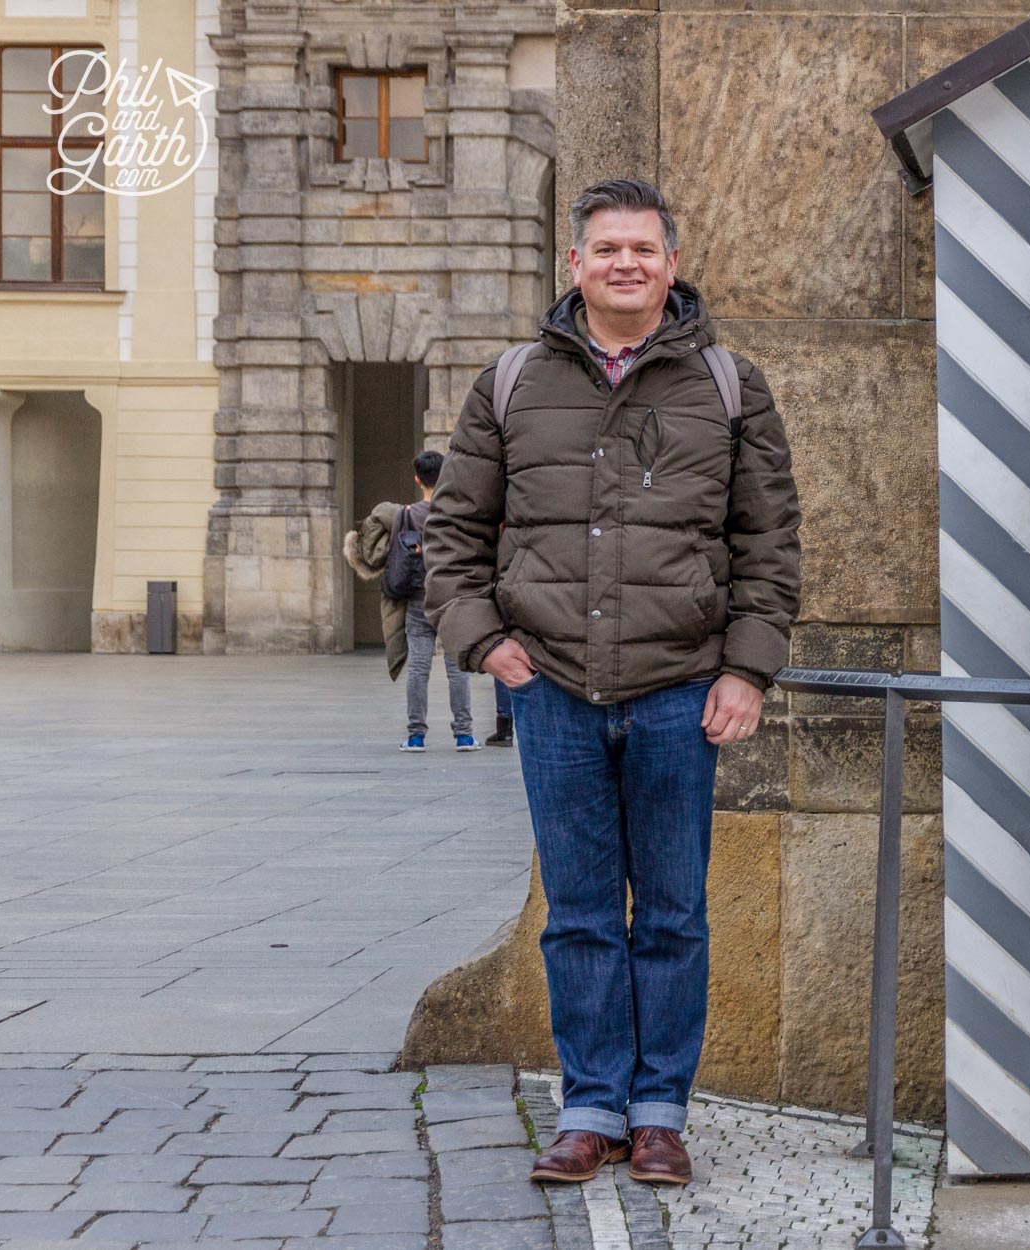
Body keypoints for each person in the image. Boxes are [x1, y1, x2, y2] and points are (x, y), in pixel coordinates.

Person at [423, 178, 801, 1187]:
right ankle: (591, 1106)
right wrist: (484, 643)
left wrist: (748, 667)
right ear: (577, 265)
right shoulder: (510, 382)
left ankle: (663, 1111)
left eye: (644, 248)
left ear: (672, 264)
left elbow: (767, 543)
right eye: (607, 249)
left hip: (683, 687)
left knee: (674, 910)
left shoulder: (728, 383)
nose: (625, 263)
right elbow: (452, 535)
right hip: (552, 687)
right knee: (583, 910)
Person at [343, 451, 478, 753]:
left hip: (417, 600)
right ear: (444, 476)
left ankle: (416, 736)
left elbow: (370, 535)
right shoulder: (456, 513)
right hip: (451, 599)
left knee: (418, 668)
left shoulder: (403, 514)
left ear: (417, 479)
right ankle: (464, 735)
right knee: (457, 667)